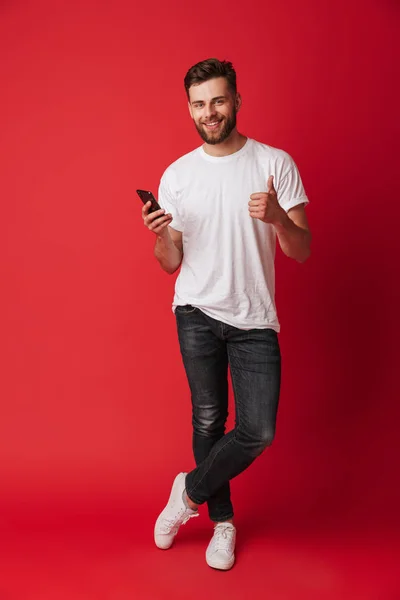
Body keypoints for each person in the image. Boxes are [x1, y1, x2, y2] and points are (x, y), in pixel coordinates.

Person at [141, 58, 311, 571]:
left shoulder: (274, 163)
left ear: (236, 101)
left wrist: (279, 217)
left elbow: (301, 248)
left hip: (254, 316)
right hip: (195, 311)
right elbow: (171, 262)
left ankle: (187, 491)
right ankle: (223, 523)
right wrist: (158, 235)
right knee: (209, 419)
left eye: (218, 101)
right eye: (199, 104)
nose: (209, 112)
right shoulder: (178, 174)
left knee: (258, 430)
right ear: (189, 109)